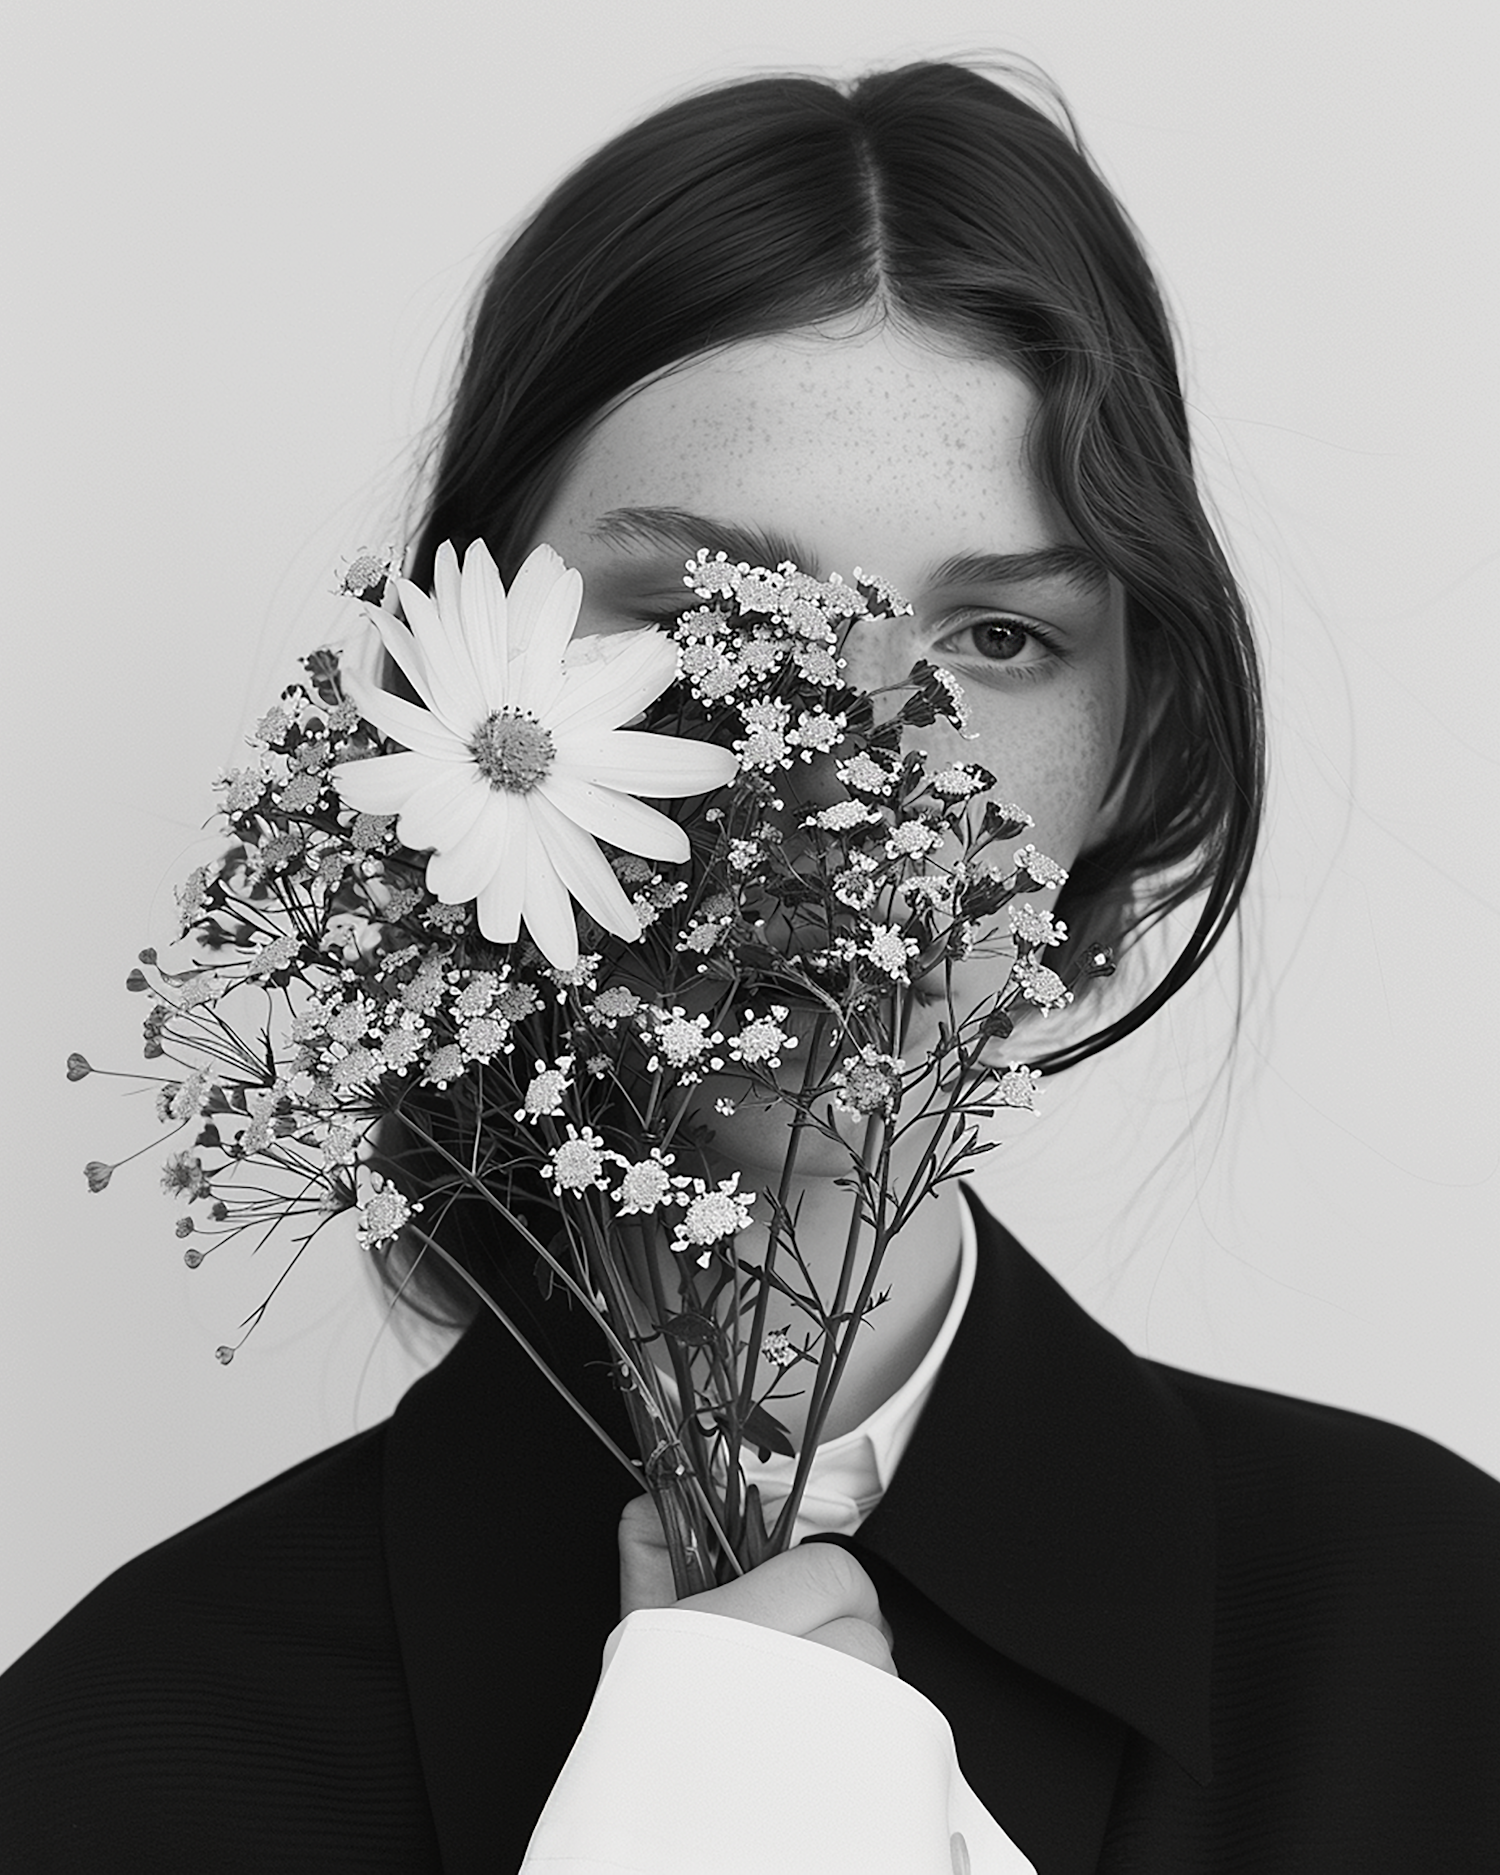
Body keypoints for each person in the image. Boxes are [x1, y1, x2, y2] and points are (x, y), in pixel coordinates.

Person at [3, 55, 1497, 1875]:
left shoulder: (1435, 1651)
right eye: (713, 610)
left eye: (1003, 634)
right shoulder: (131, 1753)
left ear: (1136, 744)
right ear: (470, 684)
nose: (841, 778)